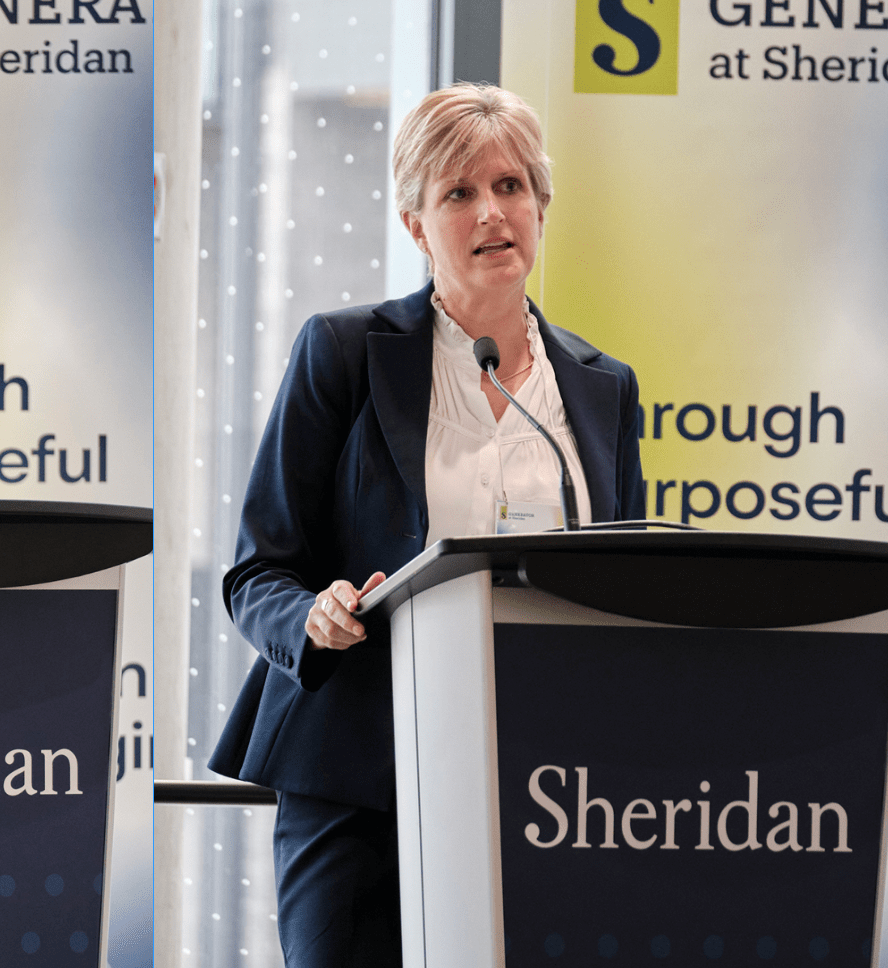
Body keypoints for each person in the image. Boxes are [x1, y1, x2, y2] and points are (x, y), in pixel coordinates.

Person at [207, 83, 646, 966]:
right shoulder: (342, 352)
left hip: (548, 785)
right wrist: (313, 616)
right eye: (459, 193)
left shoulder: (604, 390)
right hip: (360, 775)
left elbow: (622, 582)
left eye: (512, 186)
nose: (493, 212)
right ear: (416, 223)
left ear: (542, 205)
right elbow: (257, 572)